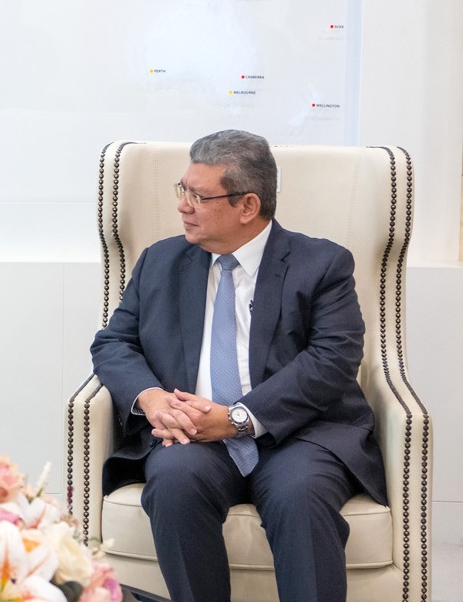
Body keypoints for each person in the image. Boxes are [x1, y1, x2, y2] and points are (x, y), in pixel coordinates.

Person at [90, 129, 386, 602]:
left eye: (198, 196)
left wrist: (235, 420)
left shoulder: (322, 264)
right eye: (182, 190)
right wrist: (150, 397)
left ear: (248, 205)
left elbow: (332, 361)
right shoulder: (160, 262)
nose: (183, 206)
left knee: (301, 495)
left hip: (297, 435)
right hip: (192, 433)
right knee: (172, 482)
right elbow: (113, 344)